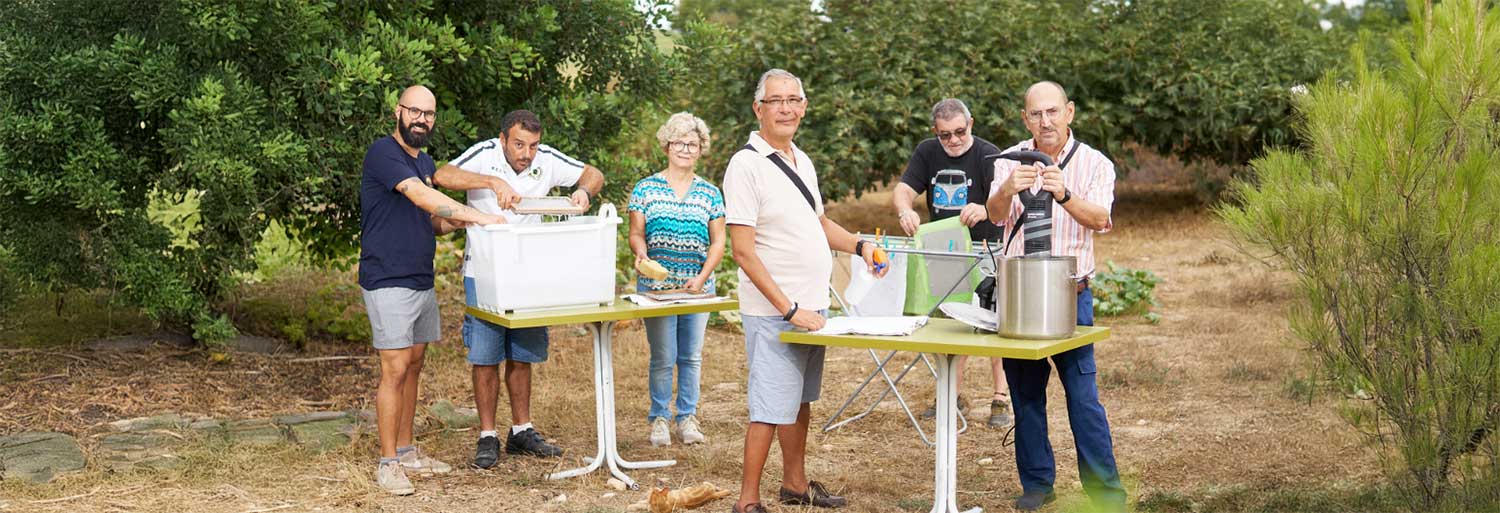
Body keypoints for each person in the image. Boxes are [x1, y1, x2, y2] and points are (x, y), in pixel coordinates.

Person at [723, 68, 888, 513]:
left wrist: (860, 245)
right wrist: (788, 308)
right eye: (776, 100)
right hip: (776, 310)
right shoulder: (745, 165)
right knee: (768, 407)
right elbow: (742, 251)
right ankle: (746, 501)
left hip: (811, 306)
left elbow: (818, 223)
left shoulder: (802, 159)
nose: (786, 108)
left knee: (798, 401)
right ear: (759, 108)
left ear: (804, 107)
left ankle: (794, 485)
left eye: (794, 100)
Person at [984, 81, 1126, 511]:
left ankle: (1105, 494)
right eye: (1035, 114)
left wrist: (1062, 194)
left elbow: (1101, 218)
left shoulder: (1095, 163)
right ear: (1025, 118)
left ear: (1069, 112)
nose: (1044, 121)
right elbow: (993, 217)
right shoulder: (1009, 160)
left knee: (1083, 399)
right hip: (1021, 293)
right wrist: (1007, 189)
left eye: (1052, 112)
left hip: (1071, 294)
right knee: (1026, 397)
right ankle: (1037, 486)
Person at [359, 85, 508, 495]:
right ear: (398, 112)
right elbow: (422, 196)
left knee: (414, 366)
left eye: (429, 114)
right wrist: (477, 216)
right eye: (415, 112)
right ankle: (388, 463)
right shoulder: (383, 154)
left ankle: (407, 450)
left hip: (419, 277)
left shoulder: (424, 160)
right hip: (387, 279)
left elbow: (430, 220)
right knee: (394, 368)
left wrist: (458, 222)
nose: (421, 119)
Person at [442, 109, 606, 470]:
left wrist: (582, 192)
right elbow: (441, 174)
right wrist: (490, 182)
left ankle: (521, 430)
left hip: (529, 271)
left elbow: (593, 174)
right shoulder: (484, 154)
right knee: (485, 355)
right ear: (503, 140)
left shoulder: (545, 160)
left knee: (522, 353)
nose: (526, 153)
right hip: (483, 271)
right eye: (519, 144)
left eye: (532, 145)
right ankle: (487, 435)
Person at [893, 98, 1012, 428]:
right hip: (943, 248)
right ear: (936, 132)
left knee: (993, 320)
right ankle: (951, 393)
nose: (954, 140)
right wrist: (905, 210)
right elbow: (904, 189)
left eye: (960, 131)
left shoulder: (989, 154)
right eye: (945, 135)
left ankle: (1001, 397)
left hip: (986, 248)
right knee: (949, 319)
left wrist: (986, 210)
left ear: (971, 124)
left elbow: (1005, 199)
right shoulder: (927, 152)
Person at [628, 112, 727, 448]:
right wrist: (642, 255)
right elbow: (636, 233)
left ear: (701, 150)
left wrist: (702, 277)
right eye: (679, 143)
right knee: (663, 355)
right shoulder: (645, 188)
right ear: (667, 146)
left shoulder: (710, 193)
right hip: (656, 290)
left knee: (691, 356)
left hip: (697, 288)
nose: (685, 149)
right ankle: (659, 418)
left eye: (693, 144)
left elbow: (719, 242)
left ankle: (687, 417)